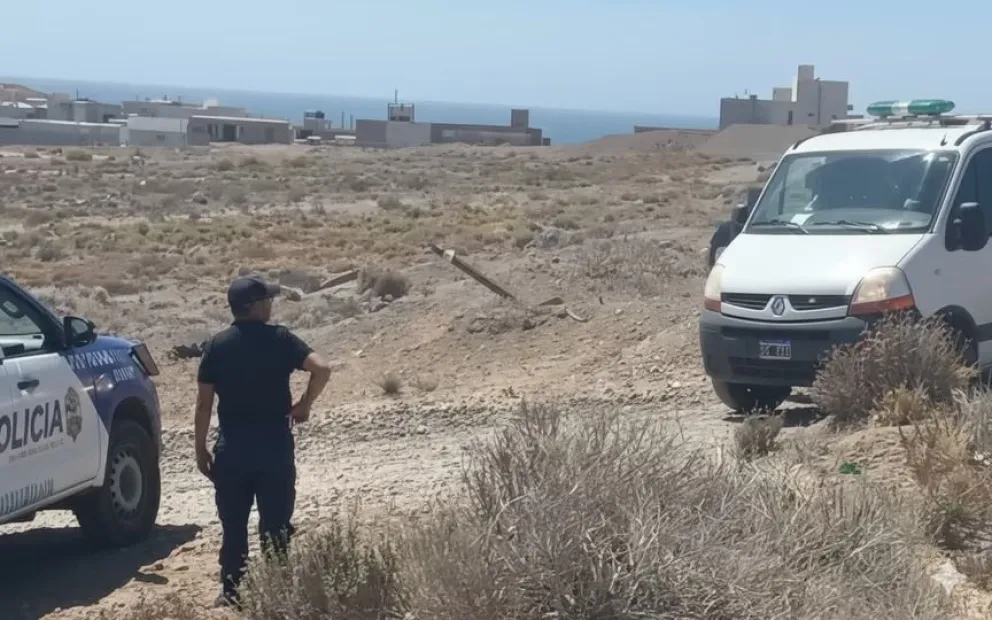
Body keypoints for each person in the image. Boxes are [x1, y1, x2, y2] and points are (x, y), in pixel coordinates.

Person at [193, 275, 331, 608]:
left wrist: (200, 449)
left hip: (232, 448)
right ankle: (278, 587)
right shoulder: (280, 339)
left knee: (233, 524)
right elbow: (323, 368)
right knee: (276, 523)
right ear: (254, 306)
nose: (271, 304)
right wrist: (305, 404)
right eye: (267, 300)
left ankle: (231, 591)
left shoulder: (217, 345)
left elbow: (203, 404)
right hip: (274, 446)